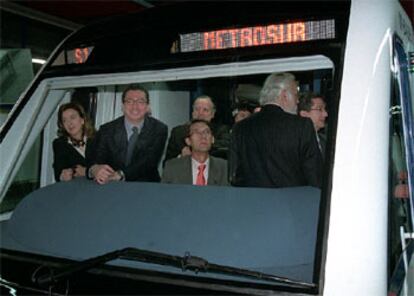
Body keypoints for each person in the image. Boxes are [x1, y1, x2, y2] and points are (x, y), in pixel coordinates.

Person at [230, 72, 322, 188]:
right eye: (295, 95)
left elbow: (234, 176)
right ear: (284, 95)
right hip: (292, 203)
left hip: (252, 203)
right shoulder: (302, 126)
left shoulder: (240, 128)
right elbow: (315, 177)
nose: (298, 101)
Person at [88, 84, 168, 184]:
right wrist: (95, 169)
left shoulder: (159, 129)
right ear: (122, 106)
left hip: (146, 186)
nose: (135, 106)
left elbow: (149, 161)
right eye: (129, 101)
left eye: (140, 102)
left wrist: (121, 174)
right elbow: (97, 159)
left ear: (147, 107)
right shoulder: (107, 130)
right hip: (112, 186)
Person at [164, 95, 230, 163]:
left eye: (205, 110)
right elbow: (166, 163)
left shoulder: (221, 130)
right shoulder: (178, 132)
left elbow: (225, 147)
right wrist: (180, 157)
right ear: (192, 112)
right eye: (197, 109)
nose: (200, 113)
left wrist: (194, 148)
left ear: (212, 114)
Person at [162, 119, 228, 185]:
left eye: (207, 132)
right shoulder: (173, 167)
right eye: (197, 132)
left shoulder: (225, 168)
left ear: (213, 139)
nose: (203, 136)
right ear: (188, 141)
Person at [53, 102, 96, 182]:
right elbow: (59, 172)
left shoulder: (99, 138)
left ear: (82, 120)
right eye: (64, 120)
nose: (69, 123)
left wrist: (86, 171)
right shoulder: (60, 144)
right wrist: (63, 176)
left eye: (72, 117)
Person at [298, 92, 328, 157]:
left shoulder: (326, 141)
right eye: (319, 109)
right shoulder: (296, 143)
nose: (325, 114)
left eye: (324, 109)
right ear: (304, 114)